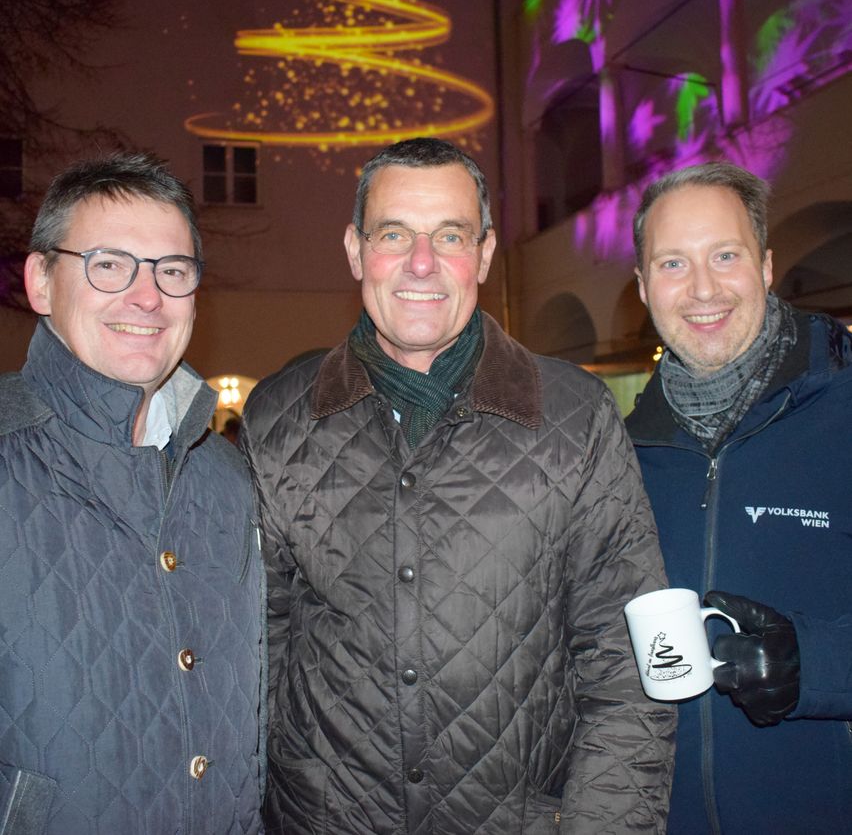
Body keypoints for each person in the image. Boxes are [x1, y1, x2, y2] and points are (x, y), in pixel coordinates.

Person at [240, 137, 675, 834]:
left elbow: (627, 665)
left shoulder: (573, 416)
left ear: (485, 252)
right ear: (355, 250)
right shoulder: (279, 417)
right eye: (394, 234)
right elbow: (254, 653)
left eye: (450, 235)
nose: (421, 262)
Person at [0, 153, 265, 833]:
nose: (147, 297)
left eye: (172, 272)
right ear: (40, 281)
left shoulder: (228, 481)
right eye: (108, 264)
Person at [626, 161, 852, 833]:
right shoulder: (621, 454)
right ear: (642, 287)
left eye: (725, 255)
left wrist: (812, 665)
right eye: (672, 264)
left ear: (766, 265)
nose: (702, 289)